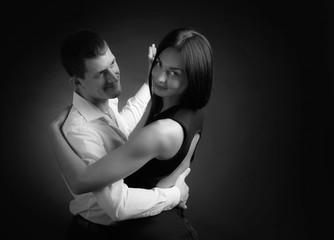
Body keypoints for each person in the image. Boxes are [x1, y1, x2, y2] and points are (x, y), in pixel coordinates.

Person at [49, 27, 213, 239]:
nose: (113, 77)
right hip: (97, 232)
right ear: (77, 82)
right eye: (100, 74)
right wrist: (175, 194)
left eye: (113, 63)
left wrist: (149, 83)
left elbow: (121, 129)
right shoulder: (80, 130)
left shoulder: (105, 103)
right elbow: (118, 205)